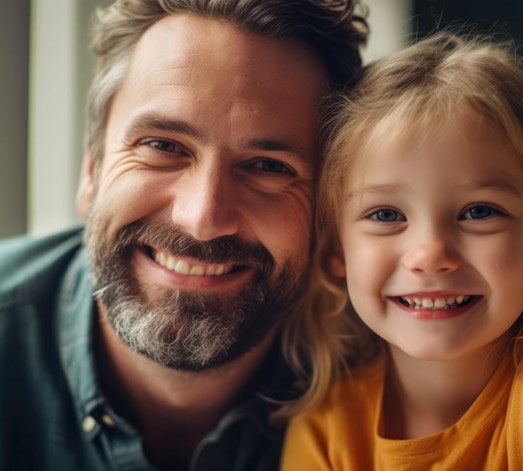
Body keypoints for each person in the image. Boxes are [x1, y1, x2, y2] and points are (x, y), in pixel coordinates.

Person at [0, 1, 368, 470]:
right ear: (91, 170)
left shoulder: (399, 383)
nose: (203, 217)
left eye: (268, 167)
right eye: (163, 146)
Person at [280, 31, 523, 470]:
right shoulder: (324, 427)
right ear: (334, 248)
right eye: (386, 215)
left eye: (479, 211)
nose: (430, 253)